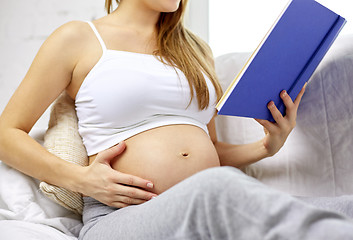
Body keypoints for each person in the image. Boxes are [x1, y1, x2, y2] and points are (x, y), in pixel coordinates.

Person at [0, 0, 352, 239]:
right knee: (219, 188)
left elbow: (209, 149)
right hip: (120, 219)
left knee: (345, 206)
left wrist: (265, 147)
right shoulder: (78, 38)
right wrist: (82, 180)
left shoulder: (196, 50)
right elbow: (6, 134)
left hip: (205, 202)